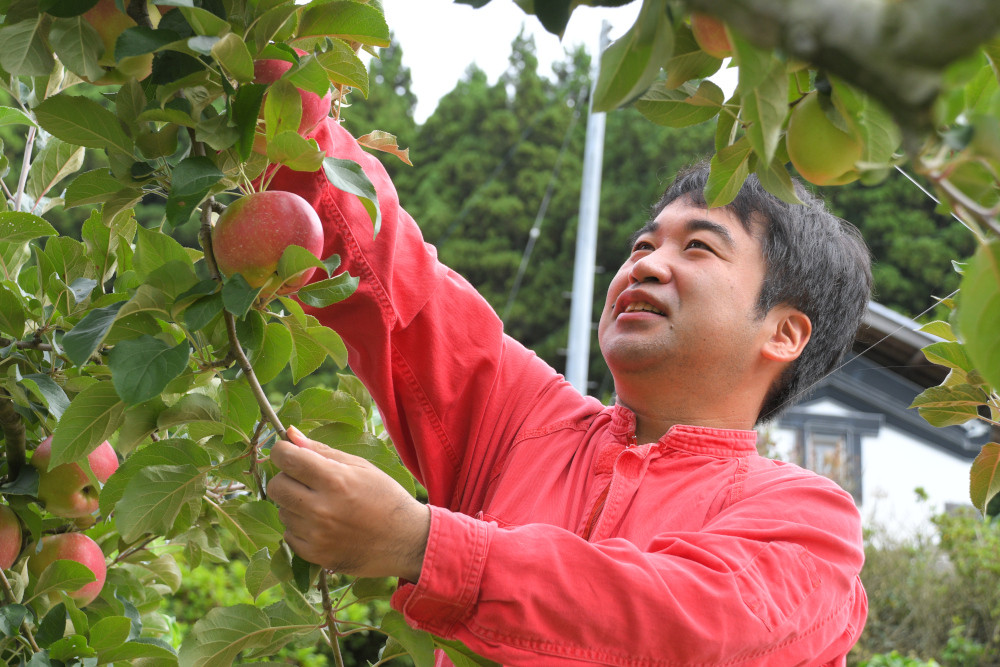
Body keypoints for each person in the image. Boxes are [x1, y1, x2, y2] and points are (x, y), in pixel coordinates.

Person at [266, 118, 872, 666]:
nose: (647, 265)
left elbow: (690, 625)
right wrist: (285, 97)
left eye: (698, 247)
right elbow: (388, 275)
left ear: (785, 333)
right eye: (642, 244)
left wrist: (425, 545)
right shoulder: (524, 422)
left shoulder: (810, 522)